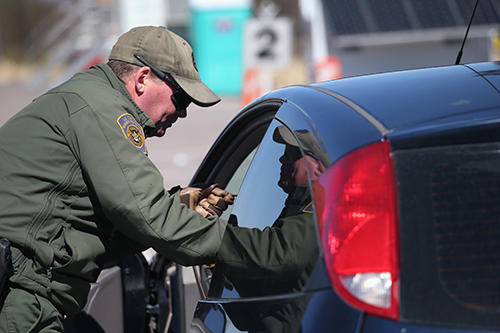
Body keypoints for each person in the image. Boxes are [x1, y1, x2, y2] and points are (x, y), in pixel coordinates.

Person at [0, 26, 233, 332]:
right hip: (20, 295)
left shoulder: (87, 96)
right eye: (181, 98)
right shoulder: (101, 108)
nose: (182, 113)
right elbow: (149, 217)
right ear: (142, 79)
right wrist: (256, 247)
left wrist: (178, 207)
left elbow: (101, 231)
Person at [209, 127, 331, 333]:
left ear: (319, 169)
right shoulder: (296, 204)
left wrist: (209, 237)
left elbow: (279, 252)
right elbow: (267, 285)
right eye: (283, 154)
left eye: (292, 155)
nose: (282, 161)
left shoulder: (323, 208)